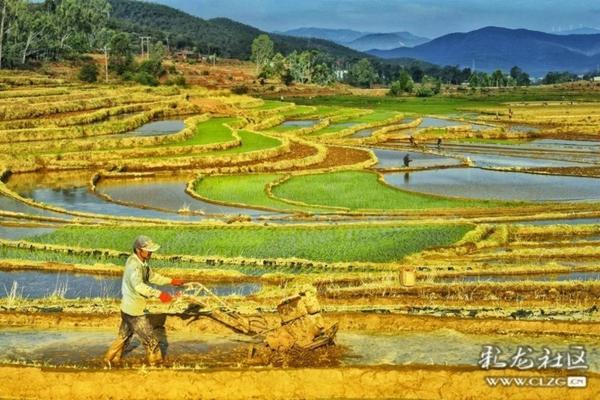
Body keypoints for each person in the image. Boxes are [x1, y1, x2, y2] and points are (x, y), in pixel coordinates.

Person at [104, 235, 186, 367]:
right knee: (152, 342)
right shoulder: (134, 267)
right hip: (135, 312)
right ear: (138, 250)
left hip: (127, 308)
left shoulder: (141, 261)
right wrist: (160, 294)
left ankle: (110, 360)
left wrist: (171, 281)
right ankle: (156, 364)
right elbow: (139, 287)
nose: (151, 253)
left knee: (123, 337)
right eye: (148, 250)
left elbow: (152, 277)